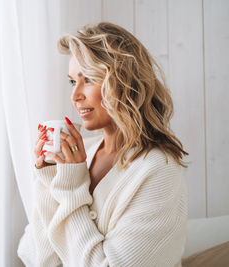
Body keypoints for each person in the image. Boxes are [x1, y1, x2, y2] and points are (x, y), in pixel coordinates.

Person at [17, 22, 189, 267]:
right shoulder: (81, 153)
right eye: (71, 81)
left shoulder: (158, 170)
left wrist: (70, 187)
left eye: (87, 79)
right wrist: (49, 178)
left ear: (123, 82)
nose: (75, 95)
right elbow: (38, 258)